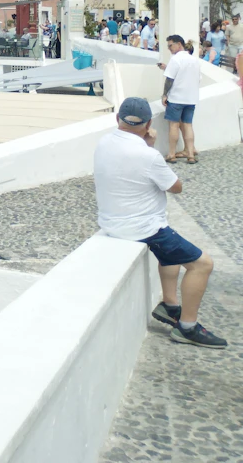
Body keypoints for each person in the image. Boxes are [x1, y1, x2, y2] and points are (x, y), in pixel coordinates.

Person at [93, 96, 226, 349]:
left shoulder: (104, 142)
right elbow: (176, 187)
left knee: (169, 245)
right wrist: (151, 147)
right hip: (142, 229)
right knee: (202, 264)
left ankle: (170, 304)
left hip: (113, 223)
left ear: (117, 119)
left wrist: (146, 146)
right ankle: (187, 327)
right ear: (148, 123)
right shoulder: (148, 156)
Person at [160, 35, 200, 163]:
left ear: (179, 44)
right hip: (191, 98)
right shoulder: (194, 60)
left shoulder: (175, 59)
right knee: (188, 125)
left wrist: (164, 94)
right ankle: (190, 154)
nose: (169, 48)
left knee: (174, 125)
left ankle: (171, 154)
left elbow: (169, 79)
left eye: (170, 45)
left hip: (176, 97)